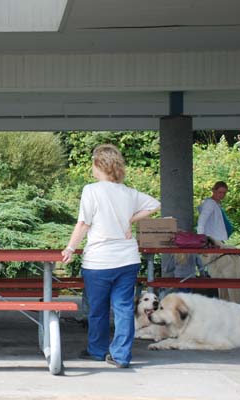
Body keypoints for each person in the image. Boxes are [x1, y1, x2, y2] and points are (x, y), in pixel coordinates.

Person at [61, 144, 160, 368]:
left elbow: (84, 223)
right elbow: (155, 204)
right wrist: (130, 220)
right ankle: (121, 356)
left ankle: (97, 351)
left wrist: (70, 248)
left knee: (98, 309)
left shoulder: (91, 190)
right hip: (127, 260)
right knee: (124, 308)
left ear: (99, 165)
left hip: (98, 261)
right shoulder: (128, 192)